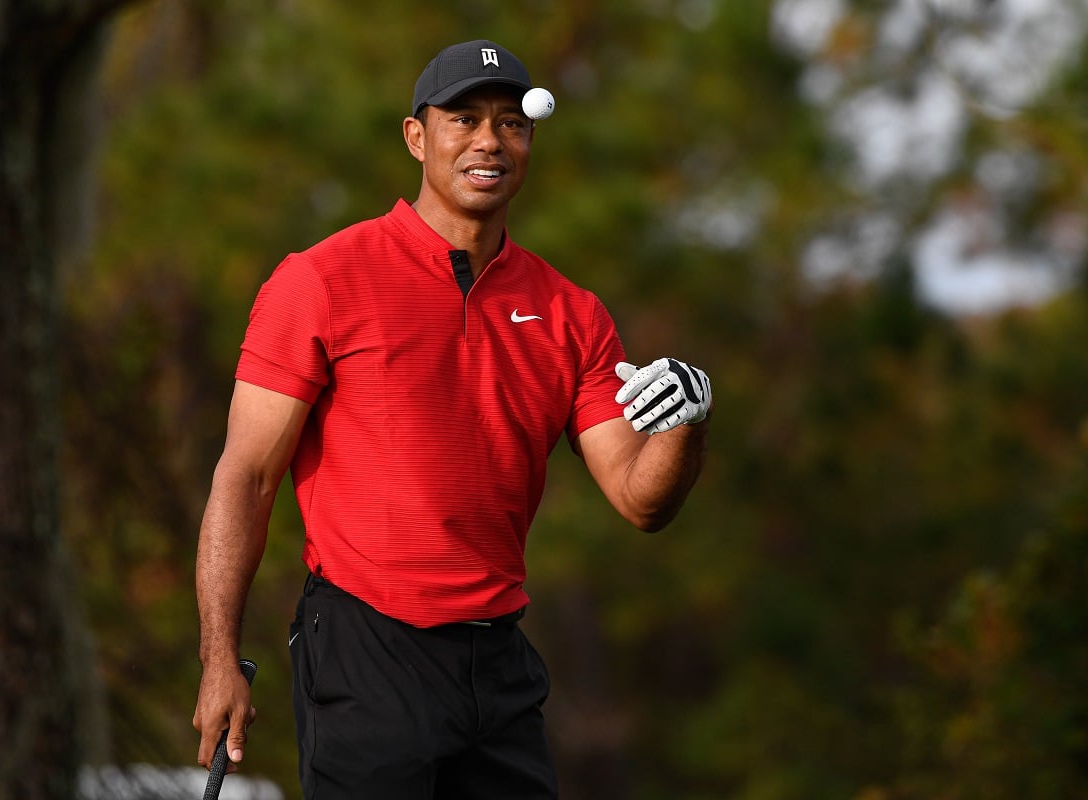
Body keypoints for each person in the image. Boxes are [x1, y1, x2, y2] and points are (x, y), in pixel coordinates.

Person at [192, 39, 713, 799]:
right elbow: (246, 476)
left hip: (496, 664)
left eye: (510, 123)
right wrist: (217, 662)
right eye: (462, 119)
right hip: (366, 646)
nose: (488, 142)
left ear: (530, 141)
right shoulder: (322, 279)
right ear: (416, 137)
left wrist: (686, 424)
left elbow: (640, 500)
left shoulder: (573, 314)